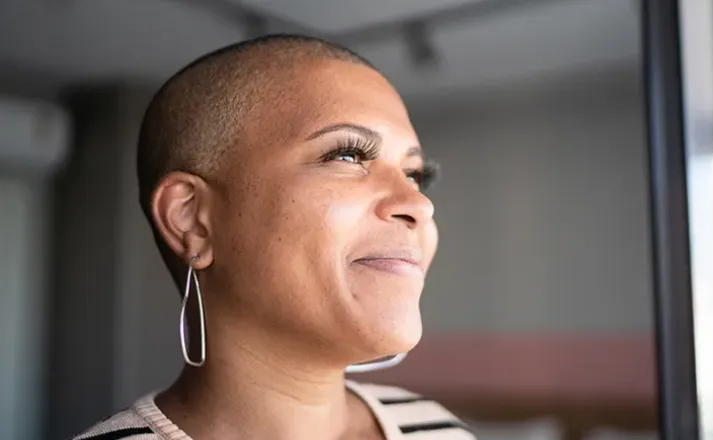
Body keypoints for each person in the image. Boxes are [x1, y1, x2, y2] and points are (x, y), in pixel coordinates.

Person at [72, 34, 475, 440]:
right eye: (347, 155)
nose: (420, 205)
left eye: (415, 175)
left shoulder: (440, 429)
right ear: (192, 220)